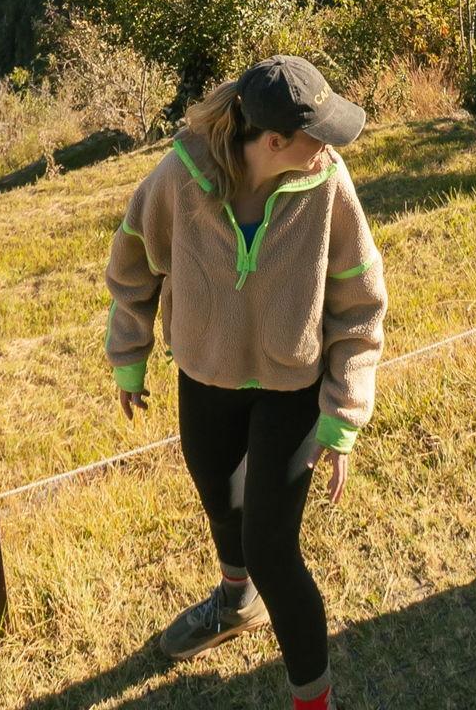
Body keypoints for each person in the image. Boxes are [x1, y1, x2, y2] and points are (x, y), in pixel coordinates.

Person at [106, 55, 388, 710]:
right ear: (274, 141)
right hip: (206, 375)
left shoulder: (327, 183)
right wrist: (129, 356)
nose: (332, 147)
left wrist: (343, 415)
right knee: (219, 498)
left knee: (272, 552)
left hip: (293, 388)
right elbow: (133, 262)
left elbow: (360, 304)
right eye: (319, 134)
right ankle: (236, 605)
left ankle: (313, 701)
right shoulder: (180, 179)